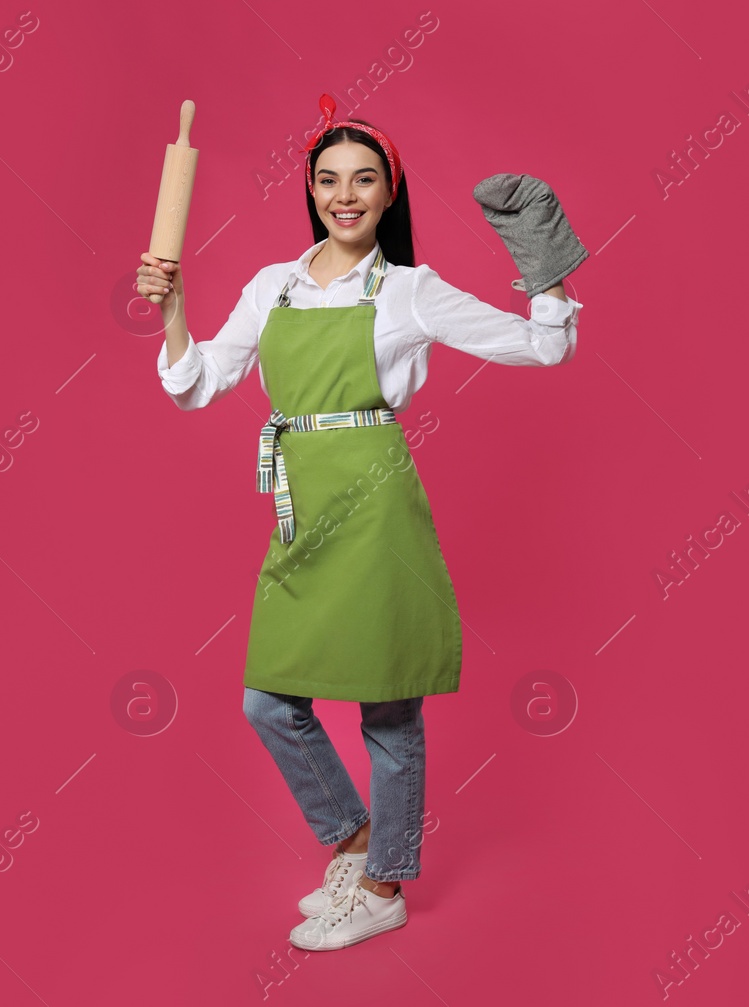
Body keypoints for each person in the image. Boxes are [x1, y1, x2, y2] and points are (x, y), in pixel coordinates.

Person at [138, 93, 585, 951]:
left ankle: (384, 883)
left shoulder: (411, 292)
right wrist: (172, 309)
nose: (346, 195)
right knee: (269, 701)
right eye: (330, 180)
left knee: (386, 711)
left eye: (365, 181)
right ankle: (353, 841)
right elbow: (196, 384)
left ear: (389, 194)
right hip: (302, 508)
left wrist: (545, 266)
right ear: (310, 188)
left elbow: (546, 347)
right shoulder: (271, 286)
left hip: (378, 508)